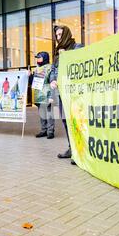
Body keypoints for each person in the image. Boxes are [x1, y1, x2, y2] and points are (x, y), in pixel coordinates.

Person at [49, 25, 84, 162]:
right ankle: (72, 148)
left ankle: (81, 151)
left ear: (67, 33)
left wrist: (67, 56)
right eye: (56, 35)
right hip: (62, 93)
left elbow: (82, 64)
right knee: (65, 120)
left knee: (77, 120)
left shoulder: (77, 47)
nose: (58, 38)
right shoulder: (58, 53)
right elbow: (53, 69)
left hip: (75, 93)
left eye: (60, 34)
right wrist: (52, 80)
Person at [29, 51, 55, 139]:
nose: (38, 59)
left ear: (44, 58)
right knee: (42, 113)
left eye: (39, 58)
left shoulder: (50, 67)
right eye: (37, 58)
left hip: (47, 93)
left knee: (49, 113)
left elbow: (52, 81)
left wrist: (52, 95)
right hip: (39, 94)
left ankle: (50, 131)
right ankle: (43, 130)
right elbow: (32, 82)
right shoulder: (36, 68)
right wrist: (30, 76)